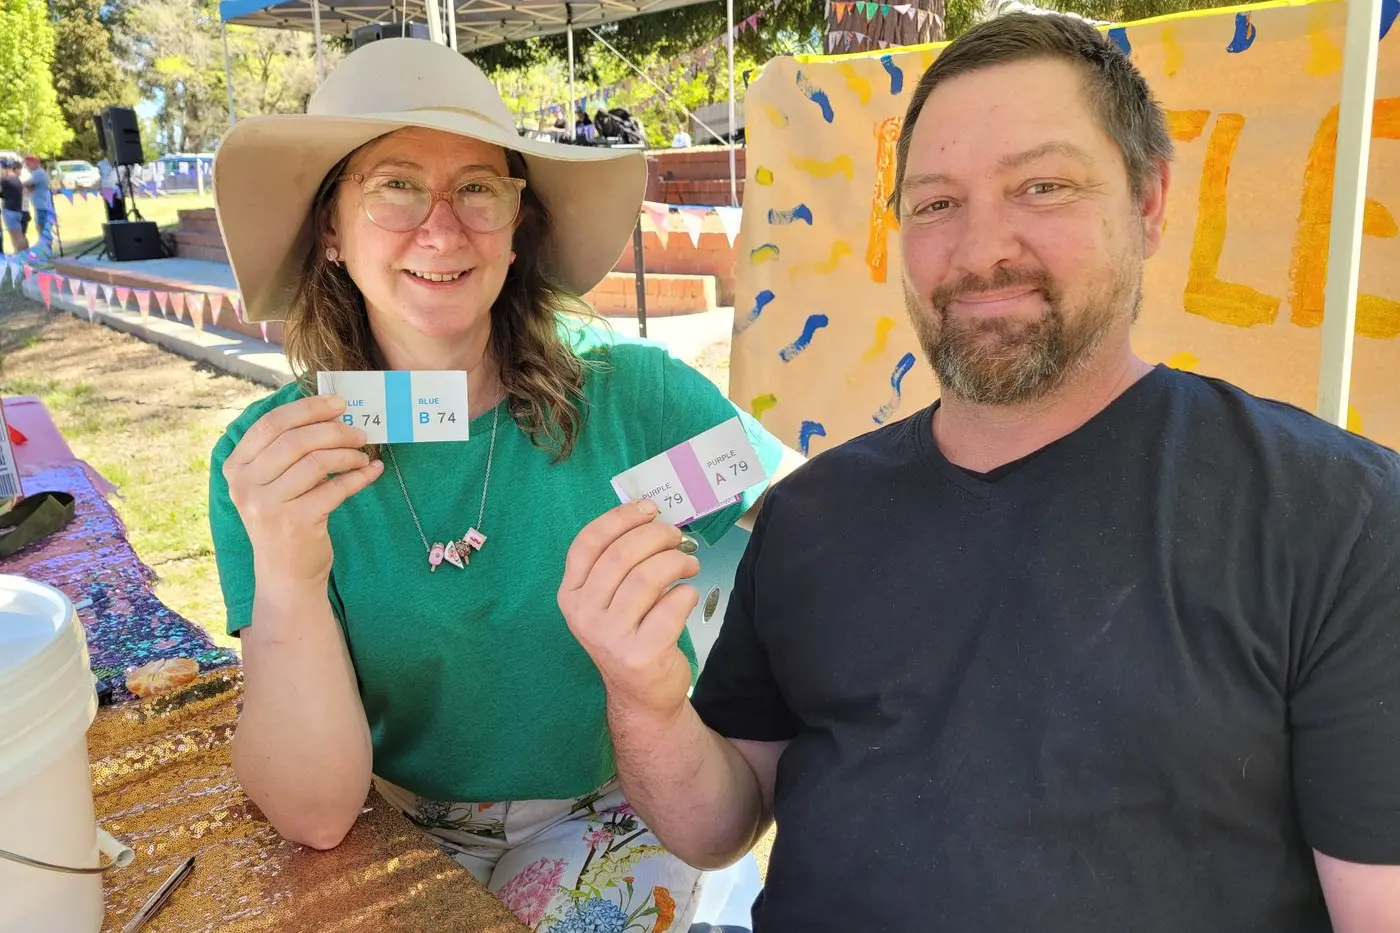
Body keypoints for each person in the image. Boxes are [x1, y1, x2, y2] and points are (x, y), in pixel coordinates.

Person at [561, 12, 1400, 932]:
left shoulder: (1338, 517)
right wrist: (641, 695)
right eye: (934, 203)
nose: (979, 249)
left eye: (1043, 186)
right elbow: (718, 825)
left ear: (1149, 201)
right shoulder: (811, 513)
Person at [206, 37, 799, 932]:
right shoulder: (272, 465)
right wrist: (288, 576)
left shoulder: (637, 399)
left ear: (519, 223)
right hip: (391, 827)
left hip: (618, 810)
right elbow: (318, 814)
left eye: (478, 187)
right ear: (331, 228)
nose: (442, 230)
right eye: (396, 185)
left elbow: (819, 530)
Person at [22, 156, 53, 245]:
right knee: (41, 228)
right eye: (26, 164)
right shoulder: (36, 173)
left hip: (42, 205)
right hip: (40, 204)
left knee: (42, 228)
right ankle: (45, 250)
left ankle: (45, 251)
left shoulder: (38, 173)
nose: (27, 166)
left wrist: (24, 184)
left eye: (29, 164)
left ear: (35, 163)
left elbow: (27, 184)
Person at [0, 162, 27, 254]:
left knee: (17, 237)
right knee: (19, 237)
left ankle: (23, 259)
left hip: (10, 211)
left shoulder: (5, 180)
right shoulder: (17, 180)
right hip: (18, 211)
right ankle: (19, 256)